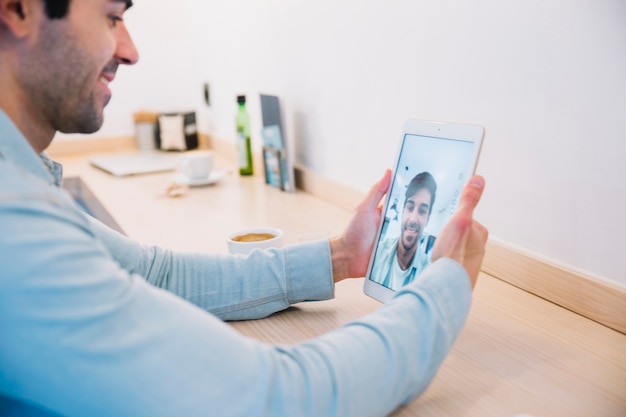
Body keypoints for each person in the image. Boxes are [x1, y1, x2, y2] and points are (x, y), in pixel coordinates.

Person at [0, 1, 489, 416]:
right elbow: (274, 399)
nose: (130, 50)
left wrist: (341, 256)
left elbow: (154, 274)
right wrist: (442, 291)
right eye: (111, 16)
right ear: (18, 9)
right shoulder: (12, 222)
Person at [371, 172, 437, 290]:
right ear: (402, 211)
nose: (413, 219)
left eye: (422, 211)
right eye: (410, 208)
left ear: (428, 219)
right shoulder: (377, 253)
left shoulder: (429, 275)